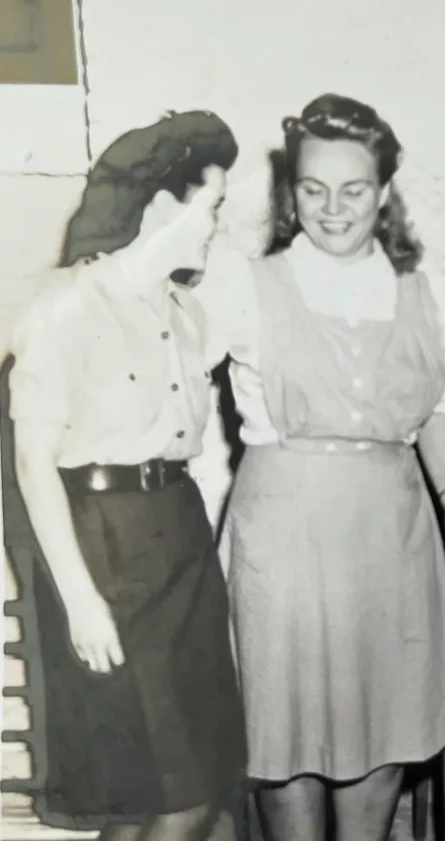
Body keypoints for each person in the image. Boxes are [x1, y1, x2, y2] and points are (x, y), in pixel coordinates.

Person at [190, 93, 445, 841]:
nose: (332, 208)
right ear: (291, 189)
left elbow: (439, 414)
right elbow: (166, 384)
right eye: (312, 188)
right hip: (284, 535)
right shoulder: (244, 284)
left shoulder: (431, 294)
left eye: (354, 189)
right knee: (284, 738)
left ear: (385, 190)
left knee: (382, 735)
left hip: (390, 536)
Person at [7, 112, 246, 841]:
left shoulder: (189, 316)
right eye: (212, 207)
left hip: (180, 542)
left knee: (203, 785)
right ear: (164, 205)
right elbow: (31, 465)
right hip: (104, 549)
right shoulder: (65, 311)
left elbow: (197, 454)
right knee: (163, 798)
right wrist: (80, 600)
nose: (216, 227)